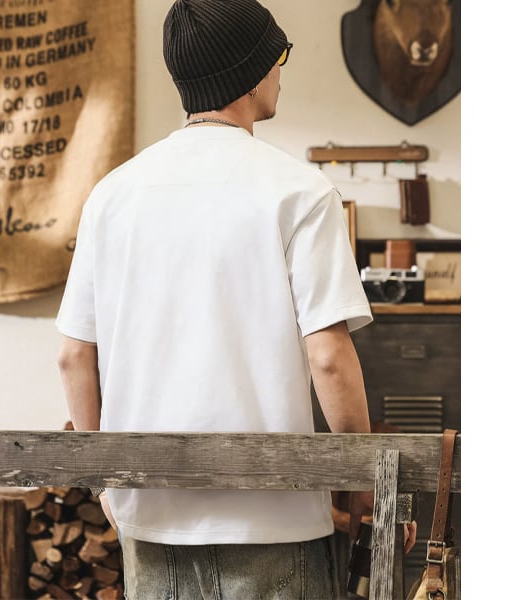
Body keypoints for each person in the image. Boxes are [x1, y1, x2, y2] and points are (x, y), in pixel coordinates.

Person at [56, 0, 414, 597]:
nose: (281, 72)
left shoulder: (112, 195)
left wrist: (106, 484)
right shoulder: (300, 191)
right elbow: (329, 357)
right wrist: (363, 487)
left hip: (150, 519)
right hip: (275, 522)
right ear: (251, 73)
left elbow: (73, 356)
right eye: (279, 57)